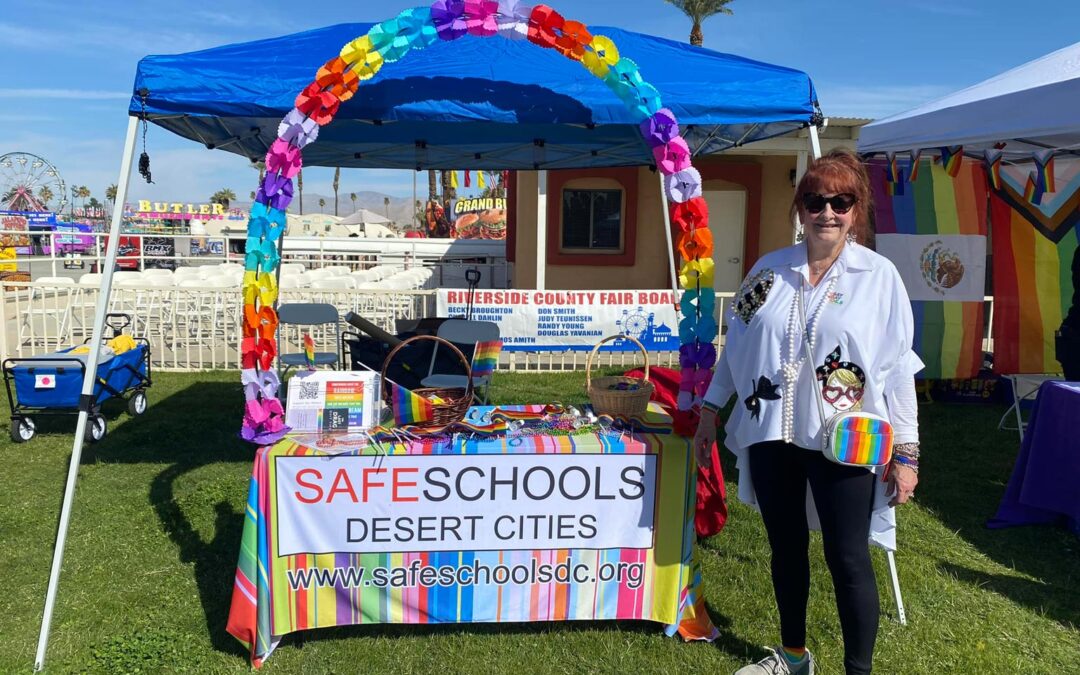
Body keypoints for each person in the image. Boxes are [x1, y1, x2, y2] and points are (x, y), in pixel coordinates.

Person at [694, 149, 922, 675]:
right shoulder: (768, 271)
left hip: (846, 439)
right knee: (786, 549)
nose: (827, 212)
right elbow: (738, 348)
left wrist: (906, 452)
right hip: (774, 432)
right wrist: (710, 408)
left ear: (856, 209)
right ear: (800, 208)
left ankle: (857, 670)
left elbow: (897, 370)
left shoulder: (879, 276)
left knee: (848, 558)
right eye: (816, 200)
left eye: (840, 202)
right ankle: (794, 657)